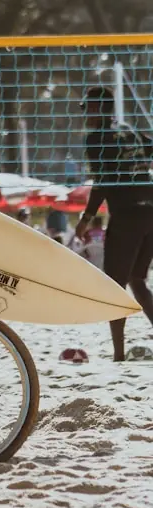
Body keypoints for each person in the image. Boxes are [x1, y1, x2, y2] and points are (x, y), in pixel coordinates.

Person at [75, 85, 153, 361]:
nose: (84, 113)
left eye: (87, 108)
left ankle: (118, 356)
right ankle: (119, 353)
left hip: (128, 215)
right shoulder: (130, 131)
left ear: (97, 109)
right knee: (137, 280)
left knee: (113, 286)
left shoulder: (96, 139)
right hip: (150, 212)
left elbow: (102, 183)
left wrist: (86, 219)